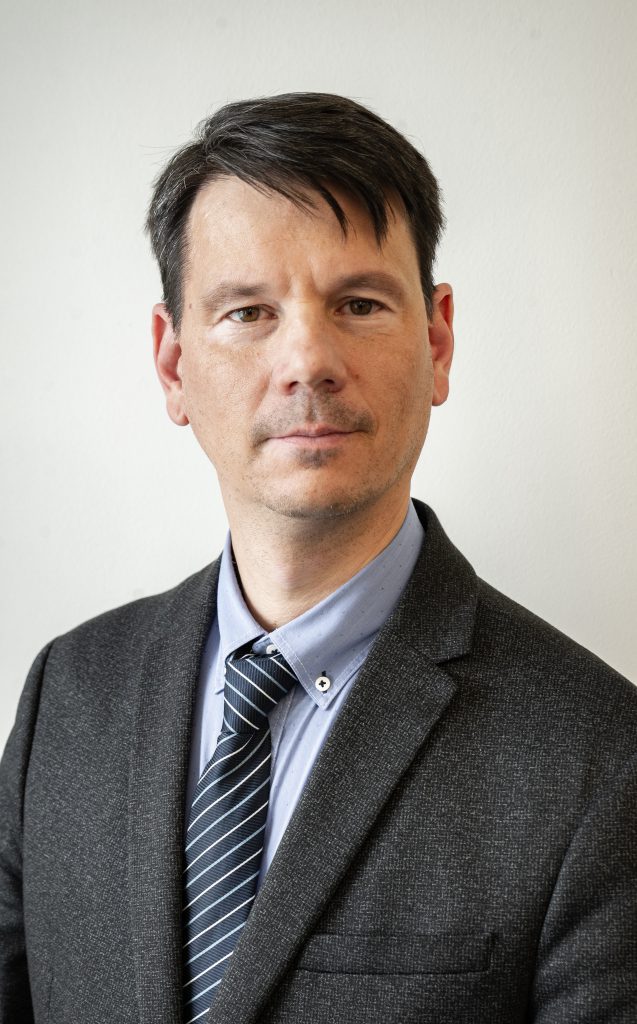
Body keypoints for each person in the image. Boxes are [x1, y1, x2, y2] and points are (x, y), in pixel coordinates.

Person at [1, 92, 635, 1024]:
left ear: (437, 340)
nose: (307, 359)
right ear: (173, 365)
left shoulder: (599, 756)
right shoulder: (69, 694)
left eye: (359, 304)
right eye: (248, 311)